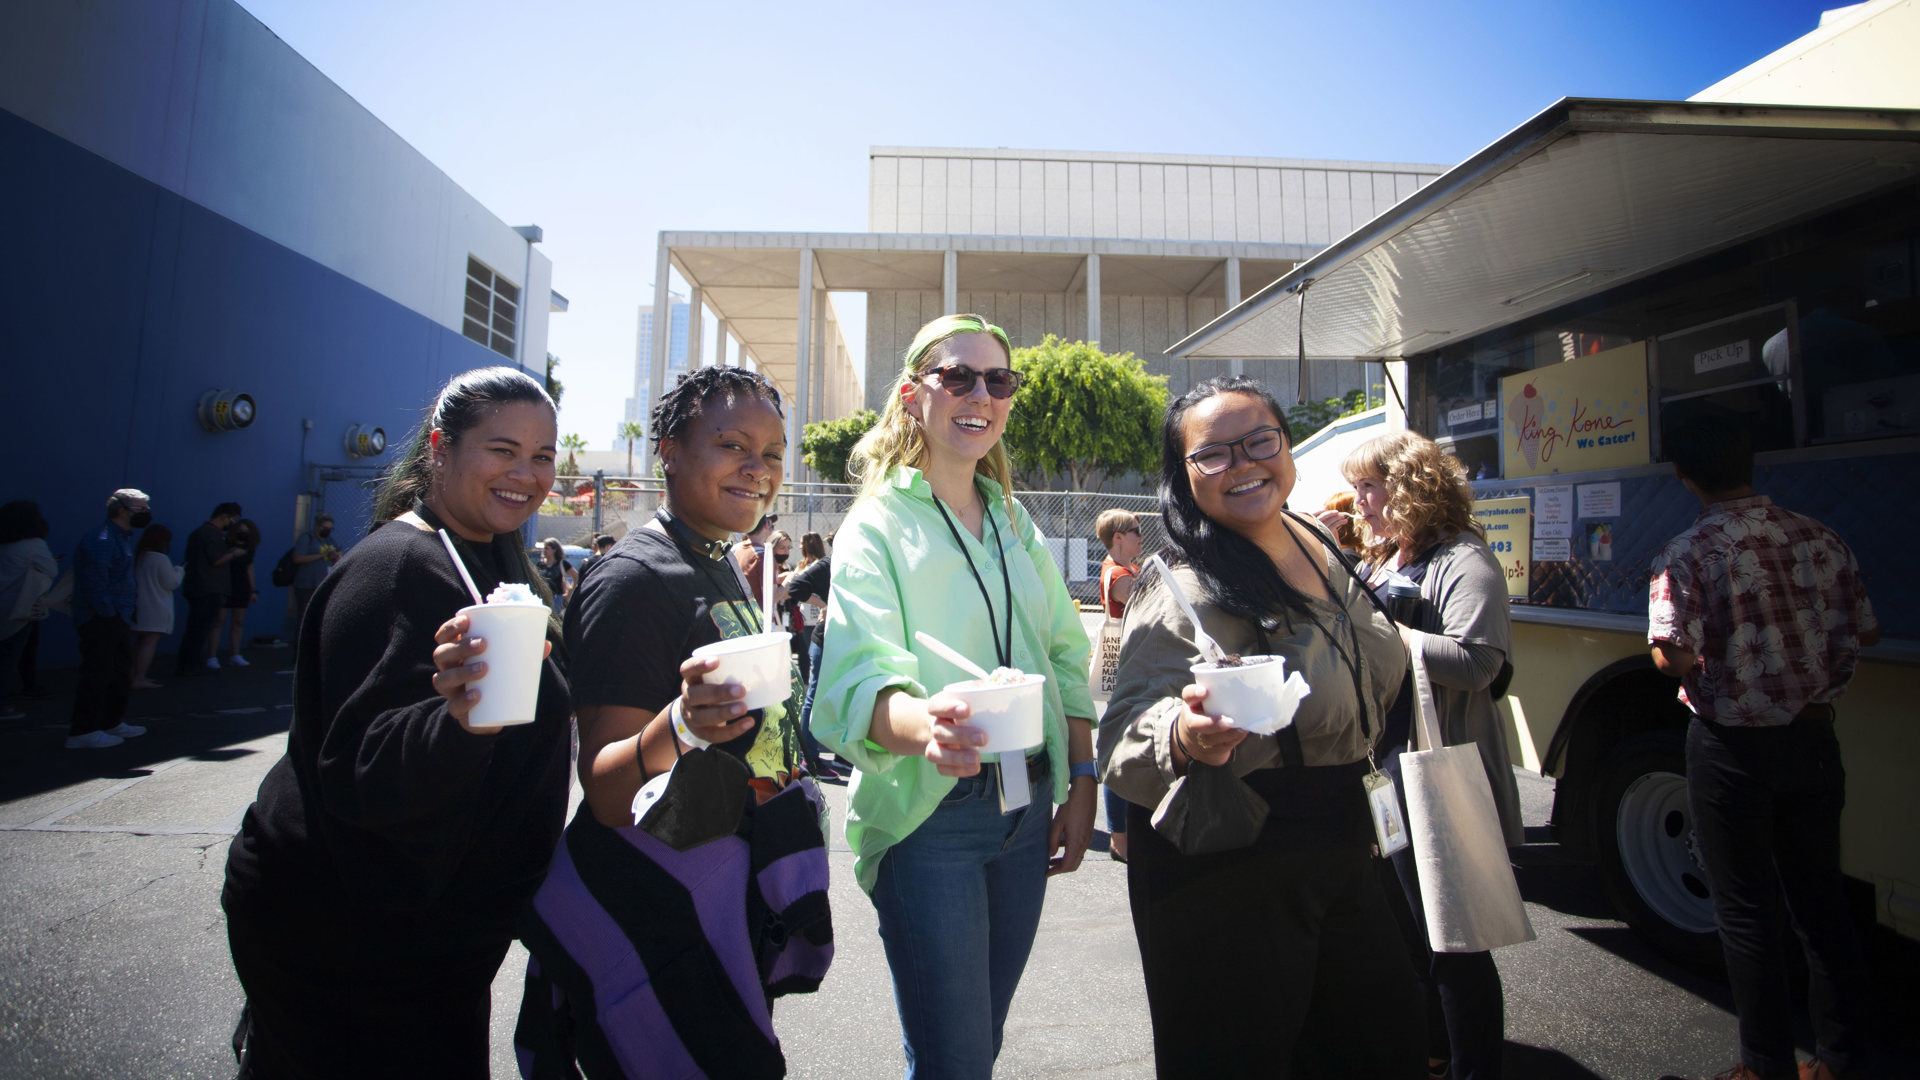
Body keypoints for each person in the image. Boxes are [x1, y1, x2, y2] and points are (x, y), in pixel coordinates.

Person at [222, 367, 572, 1078]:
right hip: (354, 939)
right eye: (501, 450)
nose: (526, 474)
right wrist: (459, 722)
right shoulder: (395, 567)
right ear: (439, 448)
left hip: (431, 937)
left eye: (542, 456)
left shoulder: (487, 557)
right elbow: (361, 769)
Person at [1099, 375, 1425, 1078]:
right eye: (1212, 455)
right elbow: (1122, 736)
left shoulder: (1318, 542)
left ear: (1286, 446)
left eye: (1260, 442)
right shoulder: (1178, 586)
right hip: (1238, 860)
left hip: (1348, 830)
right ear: (1183, 478)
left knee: (1378, 1046)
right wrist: (1184, 736)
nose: (1243, 464)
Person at [514, 365, 830, 1079]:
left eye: (774, 453)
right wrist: (683, 725)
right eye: (732, 445)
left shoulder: (720, 560)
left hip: (728, 900)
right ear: (669, 450)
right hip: (663, 918)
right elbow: (605, 791)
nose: (759, 469)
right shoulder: (634, 578)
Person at [812, 313, 1098, 1080]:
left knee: (978, 1044)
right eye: (958, 376)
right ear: (913, 395)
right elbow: (860, 676)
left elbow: (1067, 655)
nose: (981, 394)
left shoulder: (1014, 520)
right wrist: (927, 727)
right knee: (957, 1059)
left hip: (1027, 801)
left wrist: (1083, 779)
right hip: (929, 813)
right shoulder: (875, 524)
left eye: (997, 380)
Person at [1647, 410, 1877, 1080]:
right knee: (1821, 907)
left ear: (1685, 476)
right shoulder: (1821, 538)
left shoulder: (1686, 552)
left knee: (1747, 912)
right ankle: (1838, 1059)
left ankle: (1766, 1064)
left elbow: (1671, 655)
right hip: (1813, 739)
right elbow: (1862, 632)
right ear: (1752, 463)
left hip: (1731, 747)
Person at [1328, 431, 1518, 1080]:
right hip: (1385, 770)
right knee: (1406, 928)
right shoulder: (1390, 554)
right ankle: (1433, 1048)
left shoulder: (1465, 560)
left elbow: (1479, 663)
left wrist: (1384, 632)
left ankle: (1473, 1065)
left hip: (1434, 771)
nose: (1361, 503)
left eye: (1369, 488)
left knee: (1453, 941)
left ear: (1409, 486)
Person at [67, 489, 154, 749]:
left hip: (116, 618)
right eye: (141, 509)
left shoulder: (120, 538)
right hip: (102, 619)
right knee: (97, 673)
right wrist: (109, 615)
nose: (146, 514)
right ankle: (83, 731)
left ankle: (110, 722)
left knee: (117, 672)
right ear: (122, 511)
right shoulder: (102, 539)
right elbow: (96, 583)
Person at [1095, 508, 1144, 863]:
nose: (1141, 536)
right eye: (1136, 531)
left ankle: (1122, 834)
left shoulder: (1128, 569)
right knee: (1119, 755)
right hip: (1126, 672)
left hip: (1131, 671)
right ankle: (1119, 837)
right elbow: (1143, 599)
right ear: (1118, 538)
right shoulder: (1118, 573)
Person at [0, 501, 58, 721]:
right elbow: (50, 569)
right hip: (19, 607)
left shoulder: (3, 544)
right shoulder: (34, 545)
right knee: (9, 657)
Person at [784, 530, 834, 775]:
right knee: (814, 695)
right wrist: (824, 604)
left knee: (838, 695)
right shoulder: (829, 564)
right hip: (824, 639)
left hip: (843, 641)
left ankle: (839, 754)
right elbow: (795, 587)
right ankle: (809, 757)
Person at [177, 501, 242, 675]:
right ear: (224, 516)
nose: (232, 523)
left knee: (195, 628)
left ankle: (188, 664)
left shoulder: (198, 534)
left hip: (197, 586)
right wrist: (233, 553)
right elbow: (216, 559)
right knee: (199, 629)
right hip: (208, 588)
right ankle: (189, 666)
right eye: (231, 519)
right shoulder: (211, 535)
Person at [130, 524, 182, 690]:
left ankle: (131, 675)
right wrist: (179, 571)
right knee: (149, 642)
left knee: (139, 642)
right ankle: (139, 677)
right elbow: (171, 582)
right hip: (156, 606)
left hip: (138, 606)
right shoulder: (160, 559)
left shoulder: (139, 557)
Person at [212, 518, 260, 667]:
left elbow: (249, 568)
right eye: (240, 531)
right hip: (225, 584)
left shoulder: (249, 549)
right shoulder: (226, 545)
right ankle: (212, 656)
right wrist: (232, 553)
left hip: (242, 586)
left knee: (238, 621)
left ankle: (235, 654)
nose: (242, 534)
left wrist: (253, 590)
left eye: (246, 532)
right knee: (219, 620)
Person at [288, 513, 339, 633]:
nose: (327, 531)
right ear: (317, 526)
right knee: (304, 617)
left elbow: (337, 561)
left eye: (330, 529)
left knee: (320, 617)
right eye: (324, 528)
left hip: (322, 584)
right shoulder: (307, 538)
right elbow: (297, 558)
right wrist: (322, 555)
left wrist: (335, 556)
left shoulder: (331, 541)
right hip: (306, 584)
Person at [537, 537, 574, 613]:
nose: (544, 551)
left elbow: (576, 576)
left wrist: (569, 593)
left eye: (546, 548)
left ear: (554, 550)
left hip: (556, 599)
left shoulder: (561, 564)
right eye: (543, 548)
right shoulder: (540, 564)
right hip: (542, 597)